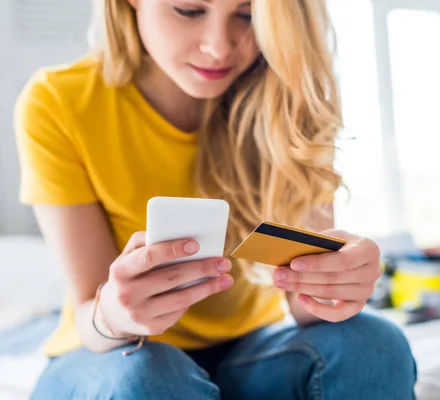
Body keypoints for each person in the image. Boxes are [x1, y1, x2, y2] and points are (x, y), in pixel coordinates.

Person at [14, 0, 417, 398]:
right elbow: (89, 314)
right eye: (189, 10)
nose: (220, 47)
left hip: (246, 353)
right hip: (109, 353)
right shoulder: (59, 102)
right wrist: (115, 313)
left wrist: (335, 284)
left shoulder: (288, 101)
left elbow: (305, 308)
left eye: (246, 15)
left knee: (373, 343)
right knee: (151, 376)